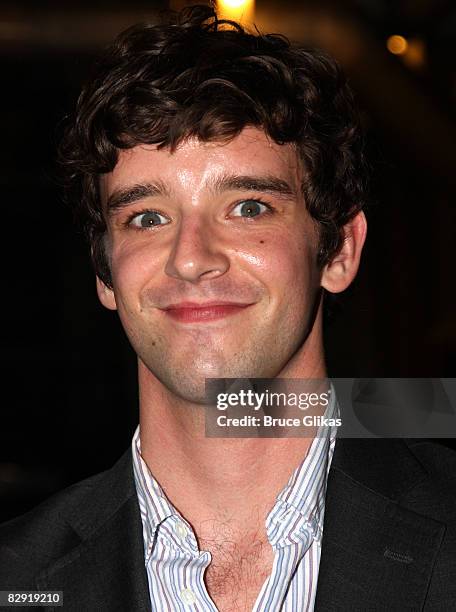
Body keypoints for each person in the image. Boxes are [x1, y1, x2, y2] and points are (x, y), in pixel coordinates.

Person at [1, 5, 455, 611]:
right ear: (105, 275)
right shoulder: (16, 580)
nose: (190, 258)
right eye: (148, 217)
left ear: (340, 249)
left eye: (248, 207)